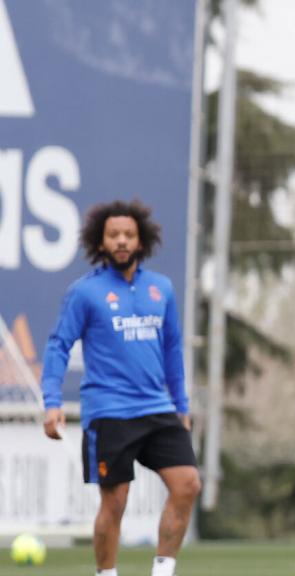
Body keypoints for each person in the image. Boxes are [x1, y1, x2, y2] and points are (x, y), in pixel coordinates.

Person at [41, 200, 200, 576]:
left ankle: (162, 572)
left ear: (142, 242)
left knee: (188, 483)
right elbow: (58, 345)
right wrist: (51, 402)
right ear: (101, 243)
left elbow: (173, 349)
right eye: (114, 235)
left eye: (129, 235)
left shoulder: (161, 289)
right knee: (115, 501)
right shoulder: (84, 293)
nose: (122, 241)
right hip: (109, 412)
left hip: (158, 408)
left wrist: (181, 404)